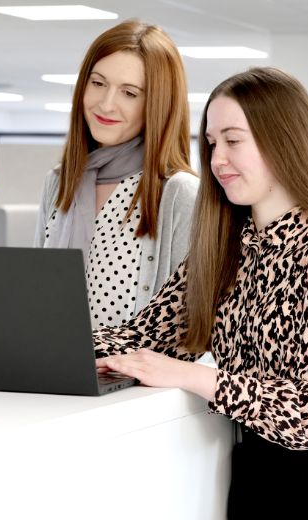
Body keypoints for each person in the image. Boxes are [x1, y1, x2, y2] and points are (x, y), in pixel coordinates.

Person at [94, 66, 308, 518]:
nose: (217, 159)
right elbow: (140, 338)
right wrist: (48, 351)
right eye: (213, 142)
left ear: (285, 141)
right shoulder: (224, 249)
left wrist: (190, 376)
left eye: (234, 140)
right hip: (258, 480)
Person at [35, 19, 198, 328]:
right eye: (97, 83)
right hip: (53, 367)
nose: (106, 104)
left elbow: (191, 326)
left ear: (157, 105)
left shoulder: (179, 193)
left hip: (136, 376)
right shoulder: (59, 182)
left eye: (129, 93)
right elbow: (35, 293)